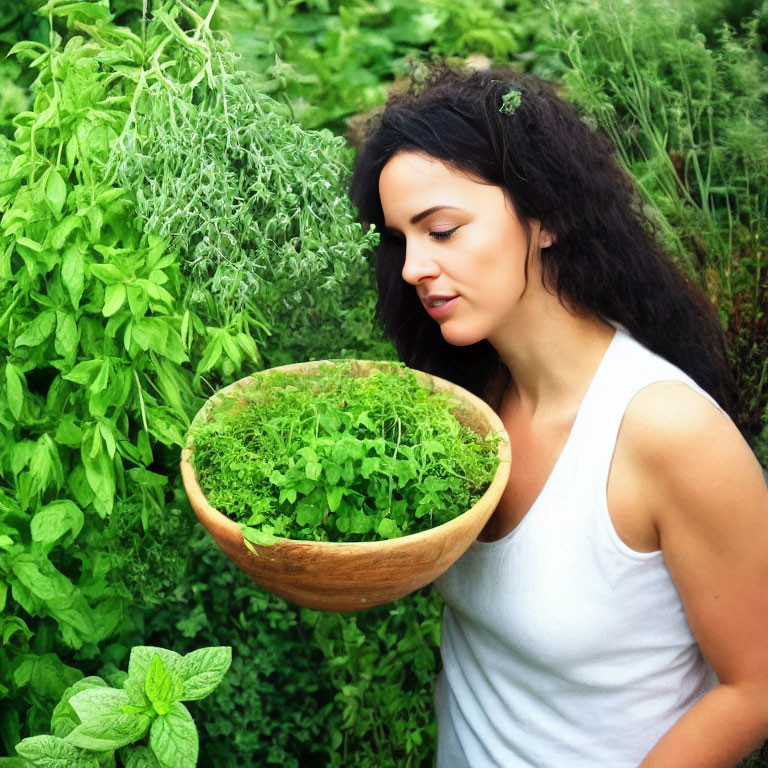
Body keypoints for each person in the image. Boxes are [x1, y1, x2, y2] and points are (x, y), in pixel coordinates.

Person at [349, 64, 768, 768]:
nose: (415, 266)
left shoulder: (664, 431)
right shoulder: (465, 406)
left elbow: (756, 686)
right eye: (401, 240)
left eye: (443, 230)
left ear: (545, 218)